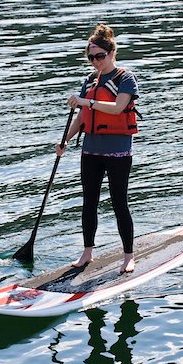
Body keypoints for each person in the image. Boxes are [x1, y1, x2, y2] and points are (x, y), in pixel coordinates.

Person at [55, 24, 140, 274]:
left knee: (119, 202)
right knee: (88, 202)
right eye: (91, 57)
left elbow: (116, 108)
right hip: (91, 150)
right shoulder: (90, 80)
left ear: (111, 53)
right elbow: (82, 117)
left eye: (99, 56)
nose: (95, 62)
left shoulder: (125, 78)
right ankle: (87, 253)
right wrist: (66, 141)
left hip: (118, 151)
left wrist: (86, 100)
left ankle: (128, 256)